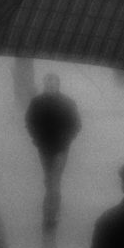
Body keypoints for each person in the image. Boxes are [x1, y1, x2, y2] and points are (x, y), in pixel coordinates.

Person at [25, 73, 81, 230]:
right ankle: (53, 208)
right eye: (48, 82)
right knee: (49, 180)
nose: (50, 85)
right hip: (43, 147)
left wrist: (68, 138)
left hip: (61, 149)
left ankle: (50, 215)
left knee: (54, 181)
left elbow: (76, 123)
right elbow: (29, 121)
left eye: (54, 82)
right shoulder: (36, 102)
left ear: (58, 84)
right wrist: (35, 138)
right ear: (44, 84)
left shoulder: (67, 102)